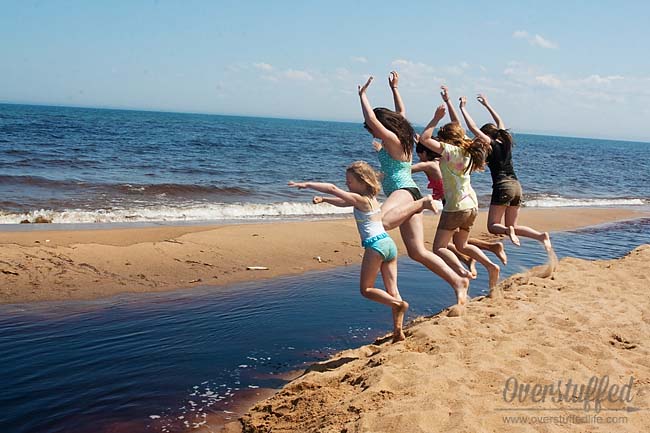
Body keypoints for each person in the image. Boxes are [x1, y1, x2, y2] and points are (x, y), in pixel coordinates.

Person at [359, 73, 470, 316]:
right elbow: (401, 112)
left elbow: (373, 119)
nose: (371, 131)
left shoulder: (392, 139)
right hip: (408, 191)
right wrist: (395, 88)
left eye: (371, 128)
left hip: (405, 191)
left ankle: (424, 202)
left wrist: (362, 95)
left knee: (380, 222)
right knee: (417, 251)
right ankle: (458, 282)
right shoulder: (401, 138)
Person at [288, 161, 409, 342]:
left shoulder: (360, 200)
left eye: (350, 181)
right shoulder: (371, 199)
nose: (347, 184)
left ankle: (398, 304)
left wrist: (305, 184)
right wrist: (325, 200)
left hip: (375, 246)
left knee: (366, 289)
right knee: (392, 290)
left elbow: (331, 187)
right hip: (388, 243)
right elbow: (344, 202)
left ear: (363, 181)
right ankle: (398, 331)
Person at [418, 103, 501, 297]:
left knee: (439, 247)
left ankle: (463, 273)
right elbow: (454, 131)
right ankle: (490, 265)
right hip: (471, 205)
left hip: (455, 206)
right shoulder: (468, 153)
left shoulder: (450, 151)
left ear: (447, 139)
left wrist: (436, 117)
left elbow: (424, 139)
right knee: (462, 245)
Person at [457, 93, 553, 255]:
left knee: (493, 226)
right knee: (513, 226)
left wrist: (463, 109)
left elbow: (472, 128)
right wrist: (487, 105)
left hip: (503, 186)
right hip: (517, 186)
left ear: (486, 136)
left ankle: (509, 231)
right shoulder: (506, 142)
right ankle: (540, 236)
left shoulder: (491, 144)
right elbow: (500, 123)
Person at [412, 140, 507, 278]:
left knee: (443, 245)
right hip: (467, 203)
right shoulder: (446, 158)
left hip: (453, 205)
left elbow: (408, 169)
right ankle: (482, 257)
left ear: (425, 153)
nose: (419, 157)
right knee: (459, 243)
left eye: (420, 154)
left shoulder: (429, 164)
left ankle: (467, 265)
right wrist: (421, 142)